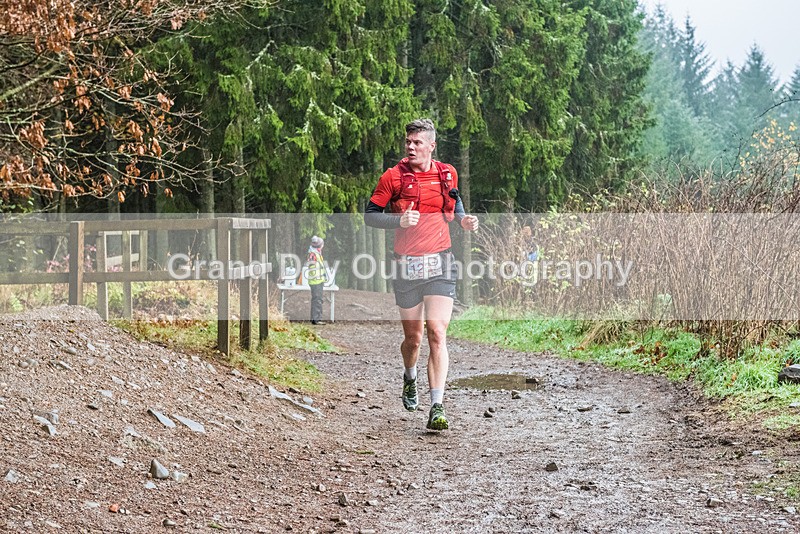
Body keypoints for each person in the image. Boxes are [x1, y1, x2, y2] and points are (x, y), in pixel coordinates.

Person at [364, 118, 479, 430]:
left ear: (431, 146)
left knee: (437, 332)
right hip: (406, 264)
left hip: (440, 261)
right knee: (413, 339)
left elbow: (455, 205)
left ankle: (437, 406)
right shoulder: (393, 177)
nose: (410, 147)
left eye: (417, 142)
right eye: (408, 142)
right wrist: (397, 222)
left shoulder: (446, 173)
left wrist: (463, 220)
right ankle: (410, 376)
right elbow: (370, 216)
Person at [307, 235, 327, 325]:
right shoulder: (313, 254)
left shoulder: (316, 253)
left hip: (318, 280)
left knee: (317, 299)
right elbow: (311, 265)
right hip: (316, 281)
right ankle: (316, 319)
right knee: (317, 300)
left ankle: (315, 318)